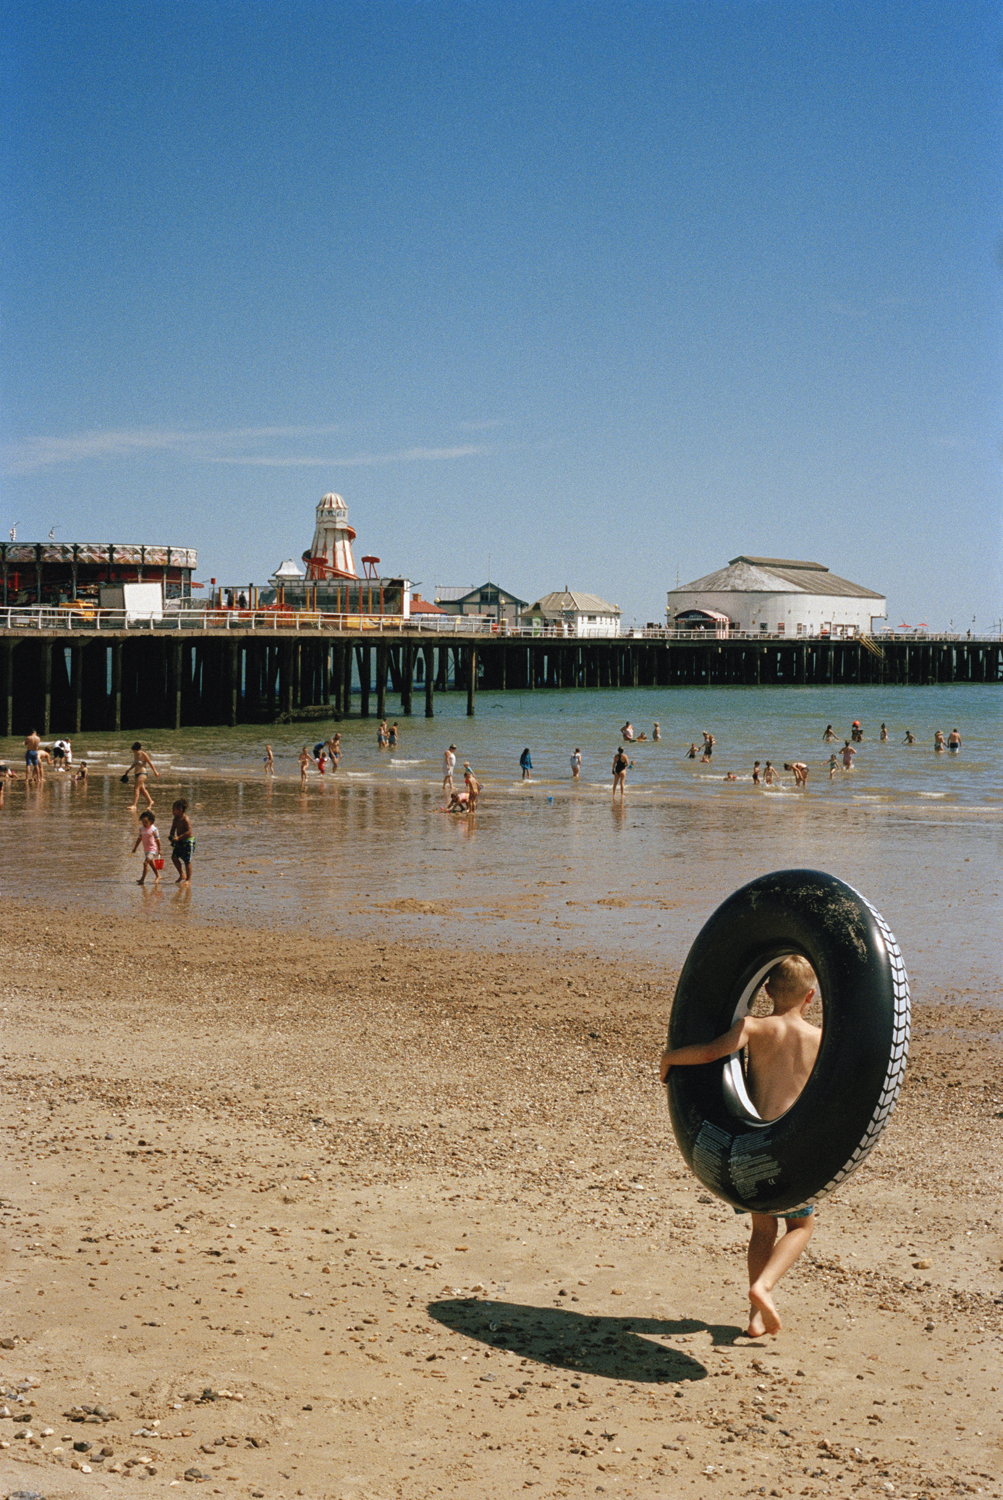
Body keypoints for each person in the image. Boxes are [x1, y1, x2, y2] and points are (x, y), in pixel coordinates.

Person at [659, 955, 822, 1336]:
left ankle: (754, 1317)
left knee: (762, 1229)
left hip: (752, 1141)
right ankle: (763, 1287)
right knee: (801, 1225)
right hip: (791, 1144)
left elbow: (710, 1053)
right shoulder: (819, 1038)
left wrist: (670, 1058)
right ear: (811, 997)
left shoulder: (753, 1026)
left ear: (765, 990)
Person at [132, 810, 163, 885]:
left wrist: (159, 850)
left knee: (145, 863)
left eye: (146, 822)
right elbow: (139, 839)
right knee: (151, 864)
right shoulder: (141, 829)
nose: (144, 824)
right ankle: (158, 875)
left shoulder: (154, 829)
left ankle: (142, 879)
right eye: (142, 822)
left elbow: (158, 841)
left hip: (152, 849)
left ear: (151, 822)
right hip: (146, 849)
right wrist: (135, 848)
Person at [168, 799, 195, 883]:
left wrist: (179, 838)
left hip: (188, 841)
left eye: (174, 810)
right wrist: (172, 837)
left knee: (187, 861)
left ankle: (188, 879)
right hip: (179, 841)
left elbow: (189, 832)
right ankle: (182, 874)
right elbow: (172, 829)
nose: (173, 812)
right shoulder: (175, 819)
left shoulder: (185, 819)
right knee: (174, 857)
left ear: (180, 810)